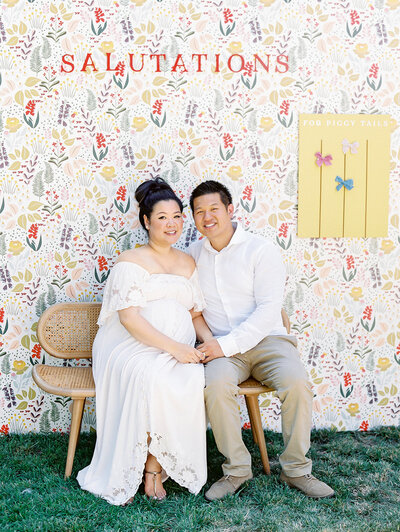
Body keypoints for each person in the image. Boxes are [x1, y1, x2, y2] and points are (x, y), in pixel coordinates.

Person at [188, 180, 334, 501]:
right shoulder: (192, 256)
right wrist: (214, 345)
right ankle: (237, 470)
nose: (207, 216)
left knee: (297, 385)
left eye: (214, 209)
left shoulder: (260, 250)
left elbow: (270, 310)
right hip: (222, 348)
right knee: (215, 387)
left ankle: (296, 469)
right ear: (194, 218)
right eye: (199, 211)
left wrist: (222, 346)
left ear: (229, 210)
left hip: (268, 342)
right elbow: (190, 306)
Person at [77, 178, 209, 505]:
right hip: (129, 346)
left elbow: (195, 315)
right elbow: (129, 319)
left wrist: (210, 344)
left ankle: (158, 462)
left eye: (177, 216)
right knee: (152, 378)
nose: (172, 223)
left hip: (177, 349)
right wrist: (176, 348)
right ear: (147, 221)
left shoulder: (188, 262)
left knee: (190, 378)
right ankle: (147, 467)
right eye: (162, 217)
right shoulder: (130, 261)